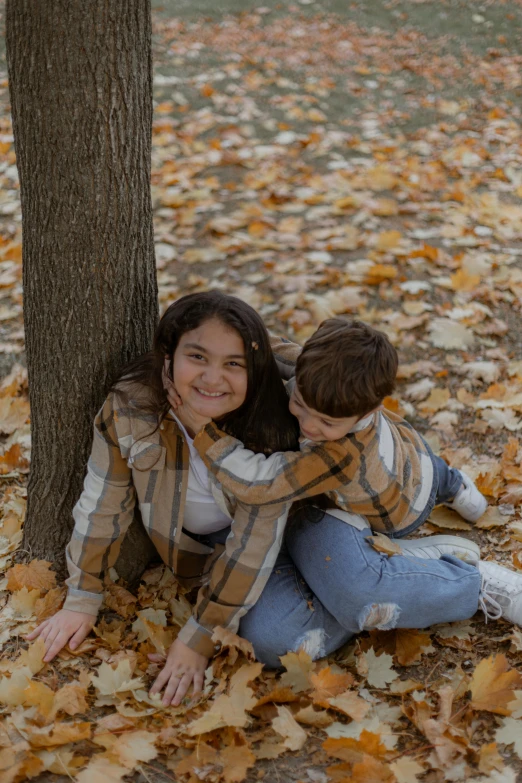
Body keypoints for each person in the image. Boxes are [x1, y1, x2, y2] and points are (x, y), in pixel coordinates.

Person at [167, 317, 522, 666]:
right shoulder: (316, 372)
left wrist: (206, 435)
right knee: (289, 631)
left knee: (434, 478)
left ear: (369, 410)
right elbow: (264, 345)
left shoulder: (339, 452)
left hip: (398, 505)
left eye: (326, 422)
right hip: (380, 465)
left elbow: (264, 483)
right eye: (301, 406)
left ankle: (473, 583)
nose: (307, 425)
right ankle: (388, 569)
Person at [26, 291, 300, 705]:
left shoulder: (273, 422)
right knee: (273, 640)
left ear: (254, 371)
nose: (212, 379)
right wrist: (83, 598)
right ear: (168, 356)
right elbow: (102, 501)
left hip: (298, 529)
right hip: (216, 549)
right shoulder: (132, 406)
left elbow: (256, 541)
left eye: (233, 364)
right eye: (198, 358)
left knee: (349, 592)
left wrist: (198, 638)